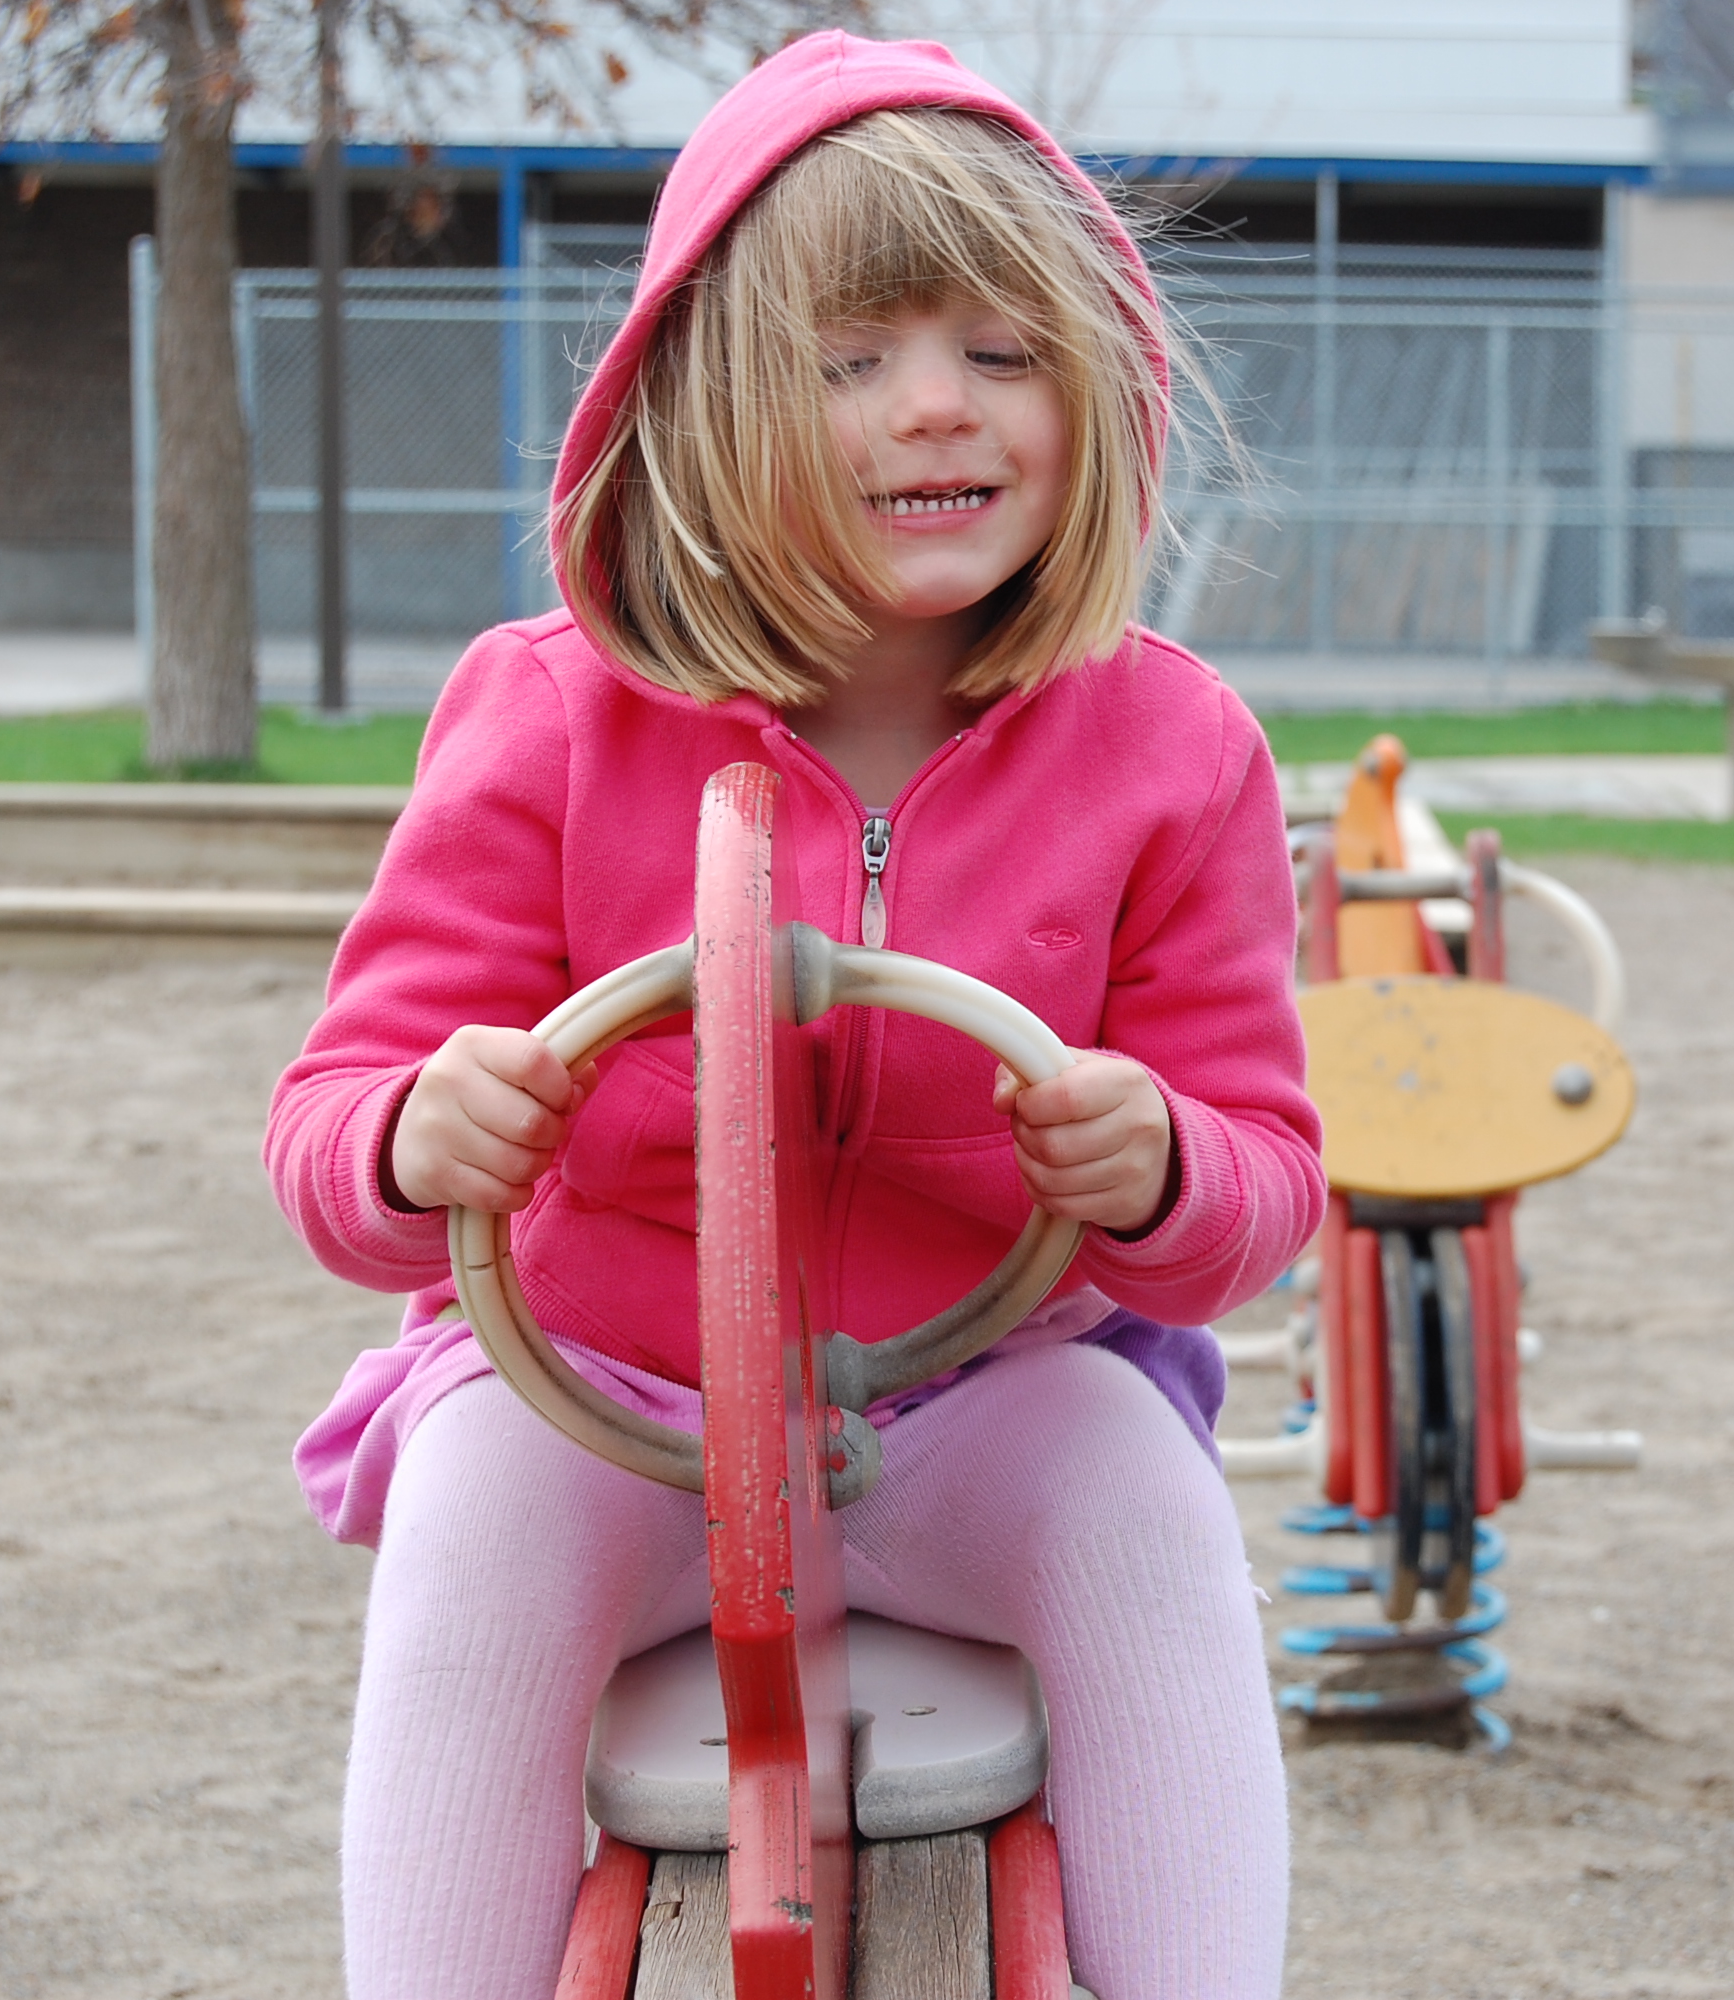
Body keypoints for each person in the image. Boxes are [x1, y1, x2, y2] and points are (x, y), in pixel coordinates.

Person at [264, 32, 1322, 2000]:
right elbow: (331, 1131)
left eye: (1003, 352)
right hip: (603, 1401)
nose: (938, 404)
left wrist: (1161, 1163)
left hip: (980, 1398)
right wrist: (420, 1134)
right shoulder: (552, 711)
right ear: (706, 401)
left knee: (1147, 1511)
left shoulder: (1171, 751)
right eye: (852, 358)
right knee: (469, 1532)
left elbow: (1261, 1190)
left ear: (1097, 391)